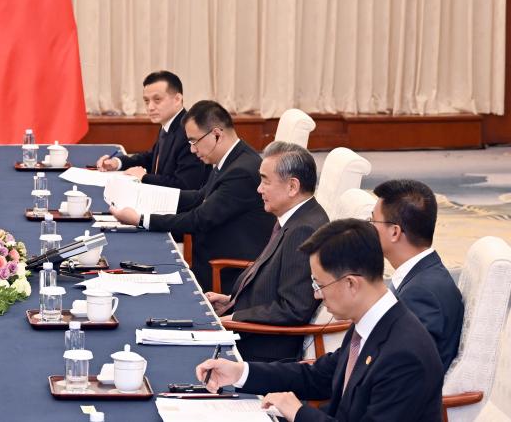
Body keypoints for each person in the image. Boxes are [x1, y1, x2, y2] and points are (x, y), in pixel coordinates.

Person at [196, 219, 444, 422]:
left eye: (319, 284)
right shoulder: (369, 324)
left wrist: (299, 413)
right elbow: (317, 376)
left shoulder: (404, 354)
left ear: (351, 283)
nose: (316, 295)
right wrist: (240, 372)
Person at [109, 100, 274, 291]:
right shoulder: (232, 158)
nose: (192, 149)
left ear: (217, 135)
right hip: (207, 259)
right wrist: (143, 196)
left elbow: (199, 219)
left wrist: (141, 219)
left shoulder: (241, 172)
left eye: (194, 141)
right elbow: (199, 197)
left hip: (225, 273)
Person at [204, 141, 329, 362]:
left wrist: (235, 318)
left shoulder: (304, 230)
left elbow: (294, 308)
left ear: (292, 187)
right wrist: (231, 301)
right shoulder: (295, 218)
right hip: (249, 331)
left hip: (261, 351)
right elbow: (274, 280)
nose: (259, 189)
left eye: (265, 181)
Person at [371, 179, 464, 371]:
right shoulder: (422, 275)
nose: (369, 227)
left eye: (373, 221)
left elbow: (407, 371)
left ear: (395, 232)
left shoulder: (421, 294)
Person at [94, 70, 209, 189]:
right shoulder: (169, 123)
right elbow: (151, 158)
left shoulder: (189, 131)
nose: (150, 107)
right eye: (146, 101)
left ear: (177, 99)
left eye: (157, 100)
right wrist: (117, 163)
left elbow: (185, 185)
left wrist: (144, 177)